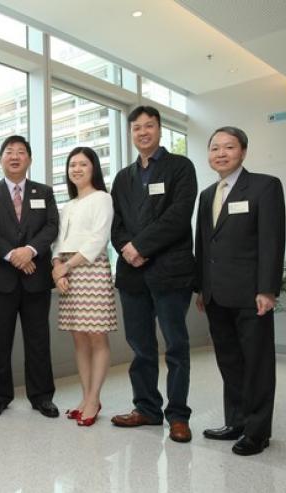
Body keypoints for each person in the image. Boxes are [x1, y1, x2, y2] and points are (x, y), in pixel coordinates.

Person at [195, 126, 285, 456]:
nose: (220, 153)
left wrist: (267, 289)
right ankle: (236, 421)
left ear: (243, 152)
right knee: (230, 362)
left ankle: (258, 431)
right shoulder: (207, 195)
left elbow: (271, 242)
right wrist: (201, 288)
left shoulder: (264, 186)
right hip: (216, 295)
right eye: (215, 147)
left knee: (257, 364)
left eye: (228, 147)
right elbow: (203, 245)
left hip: (251, 295)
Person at [110, 105, 197, 443]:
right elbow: (116, 223)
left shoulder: (180, 167)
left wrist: (140, 246)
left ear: (160, 130)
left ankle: (178, 416)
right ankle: (146, 408)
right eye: (136, 128)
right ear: (131, 134)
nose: (142, 132)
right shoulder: (123, 177)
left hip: (170, 272)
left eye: (149, 126)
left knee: (176, 346)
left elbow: (178, 217)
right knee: (140, 347)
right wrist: (126, 249)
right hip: (132, 276)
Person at [0, 135, 60, 419]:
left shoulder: (44, 192)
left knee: (38, 340)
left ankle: (42, 396)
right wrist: (14, 256)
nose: (14, 156)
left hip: (36, 278)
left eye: (21, 152)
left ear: (29, 159)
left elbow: (51, 227)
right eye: (9, 152)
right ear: (1, 160)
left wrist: (30, 250)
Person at [51, 147, 116, 427]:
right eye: (72, 165)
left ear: (94, 169)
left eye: (83, 164)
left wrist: (67, 266)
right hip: (66, 271)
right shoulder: (69, 205)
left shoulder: (103, 198)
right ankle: (85, 396)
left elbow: (98, 239)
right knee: (78, 338)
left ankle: (94, 397)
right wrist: (57, 267)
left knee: (96, 337)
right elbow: (58, 240)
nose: (76, 169)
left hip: (90, 268)